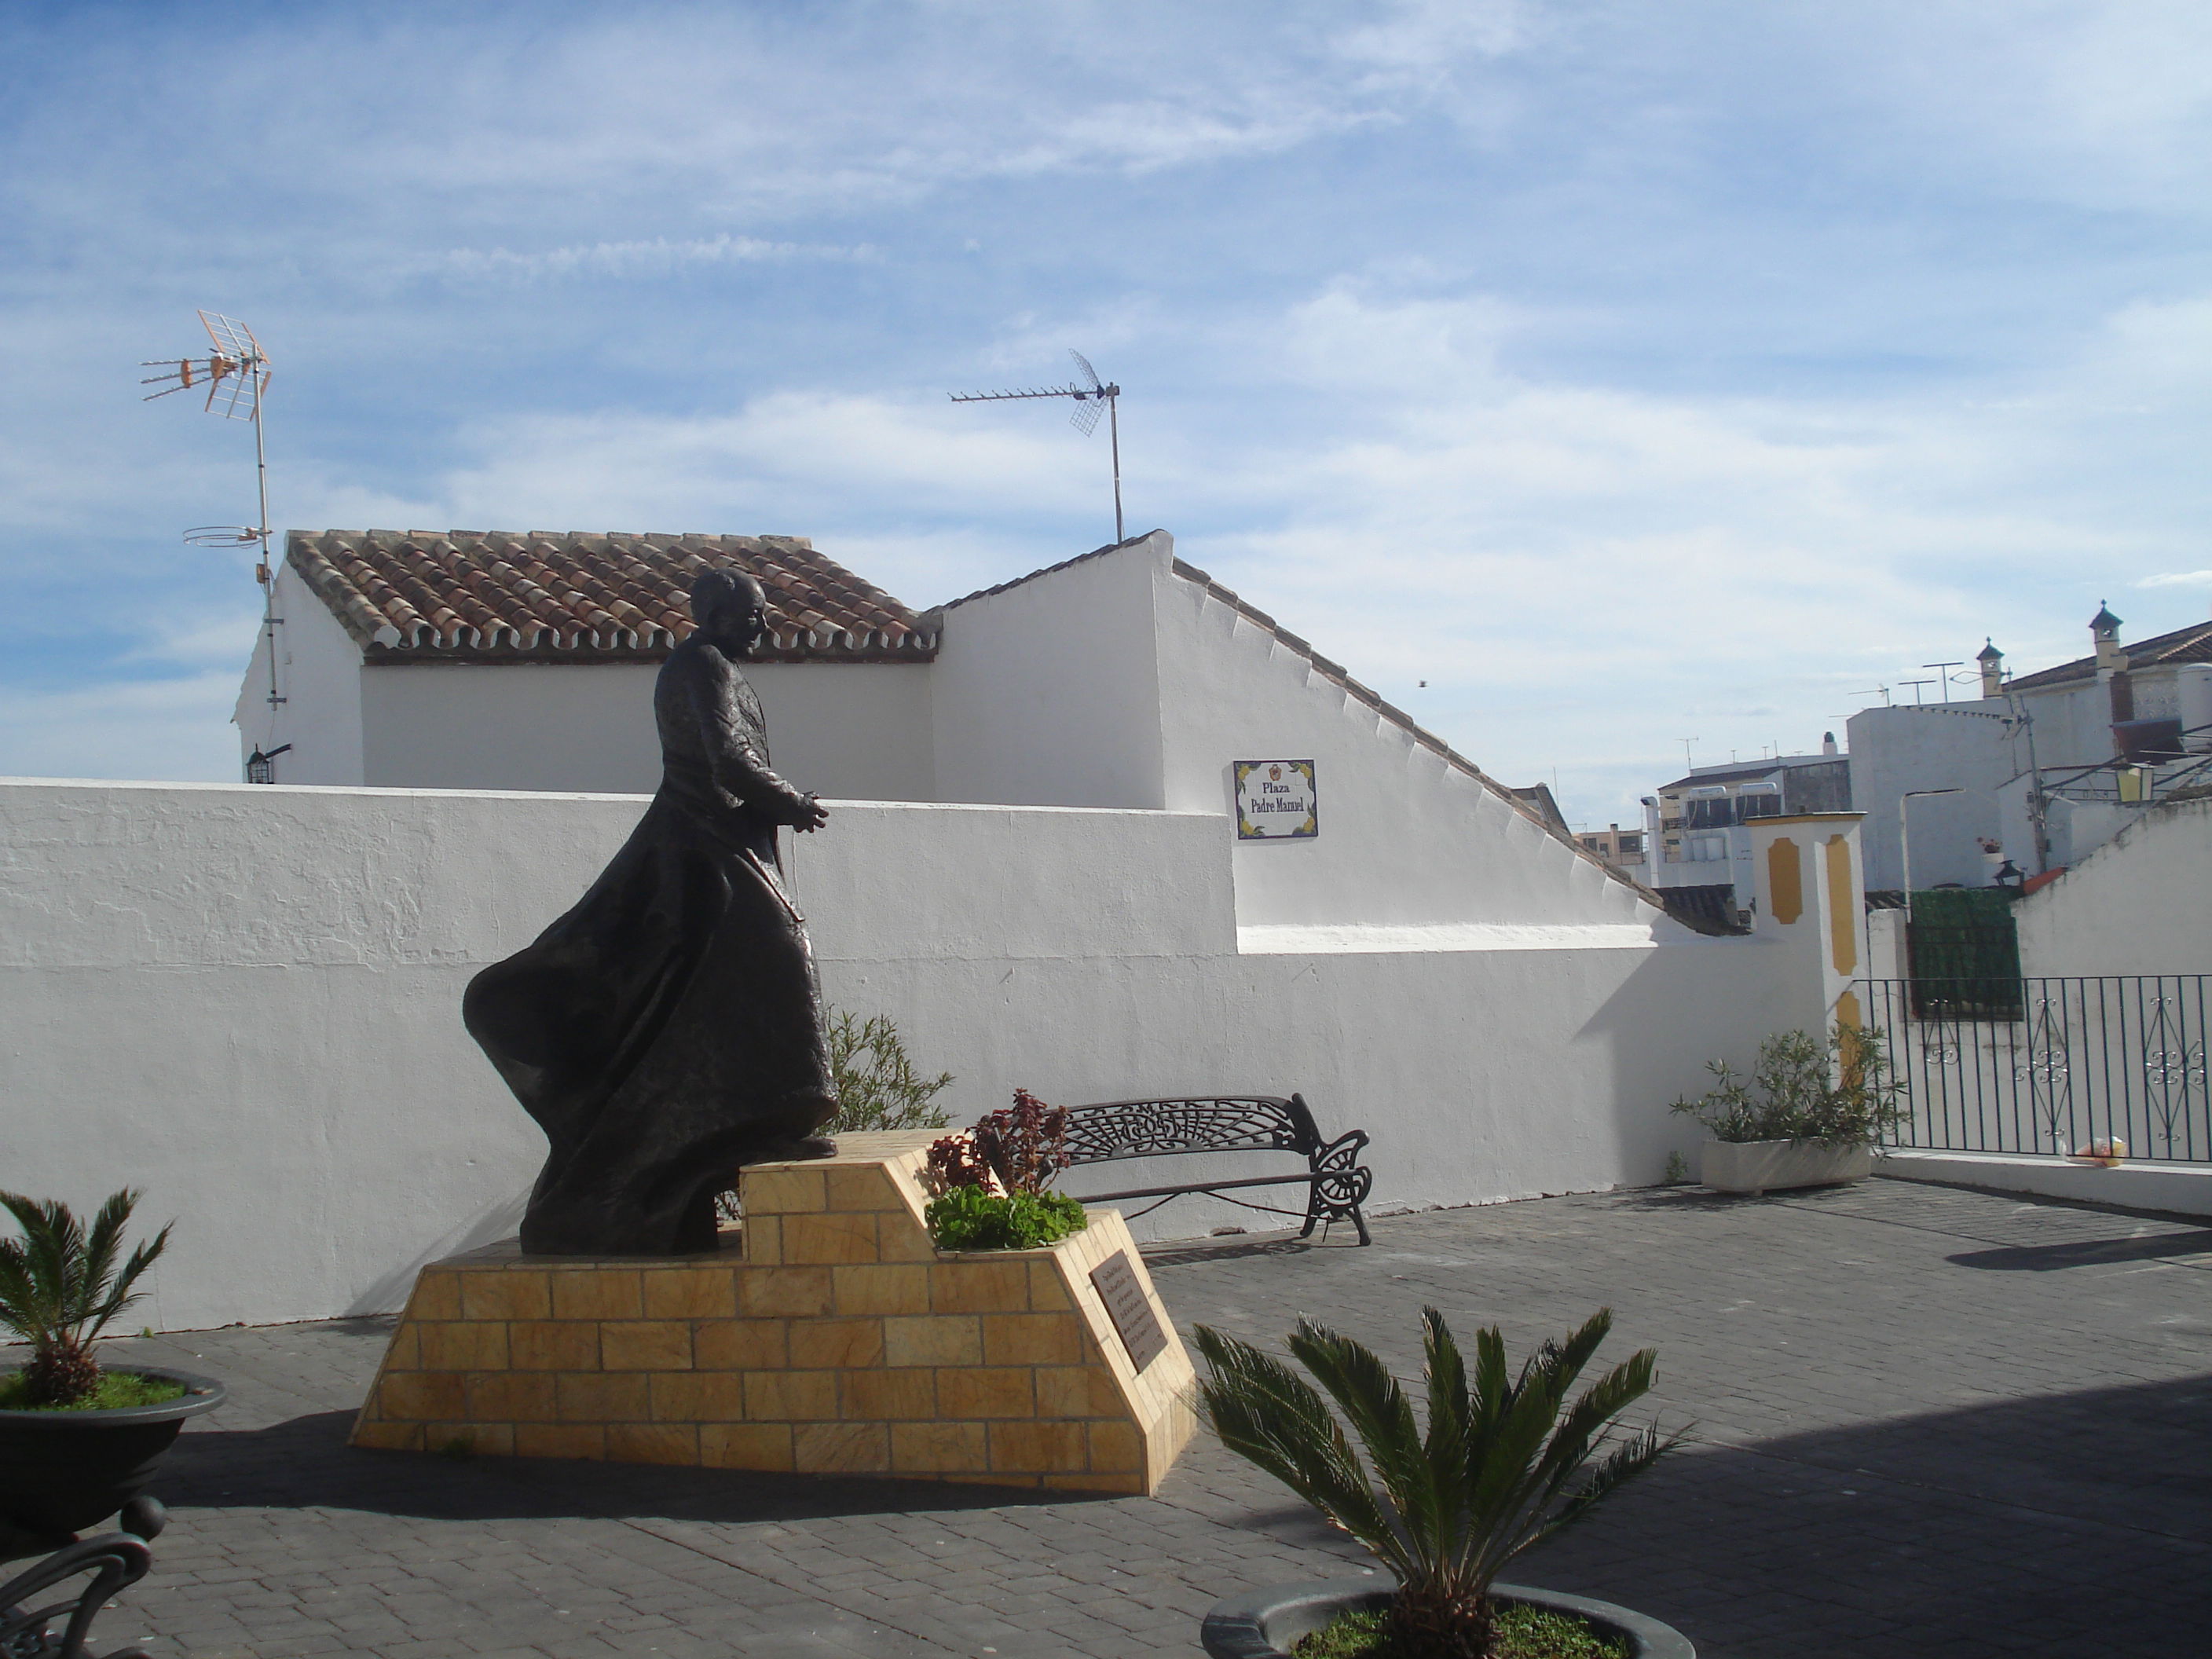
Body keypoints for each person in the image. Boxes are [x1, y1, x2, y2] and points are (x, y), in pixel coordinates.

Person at [463, 568, 837, 1256]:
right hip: (701, 848)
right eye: (754, 613)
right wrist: (794, 802)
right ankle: (774, 1109)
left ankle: (753, 1119)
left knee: (711, 990)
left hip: (717, 844)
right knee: (781, 956)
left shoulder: (712, 665)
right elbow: (728, 760)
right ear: (719, 614)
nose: (765, 624)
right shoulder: (702, 667)